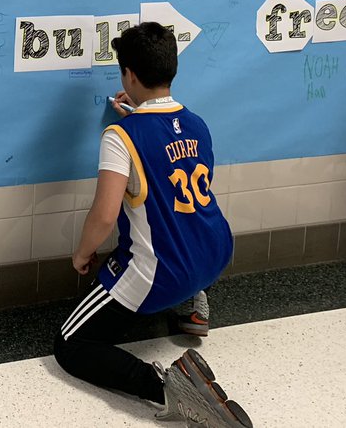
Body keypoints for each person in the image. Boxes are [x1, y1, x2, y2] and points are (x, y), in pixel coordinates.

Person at [53, 23, 250, 427]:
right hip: (216, 253)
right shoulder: (197, 123)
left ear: (128, 75)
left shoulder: (120, 136)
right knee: (175, 225)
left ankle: (166, 387)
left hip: (160, 273)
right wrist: (139, 120)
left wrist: (82, 253)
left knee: (71, 343)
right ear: (170, 69)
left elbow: (104, 215)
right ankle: (193, 304)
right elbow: (175, 169)